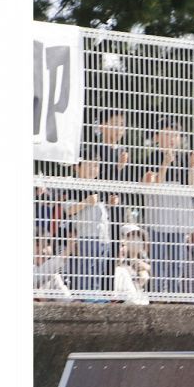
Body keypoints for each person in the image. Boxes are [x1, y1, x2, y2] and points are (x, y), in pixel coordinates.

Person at [141, 118, 194, 294]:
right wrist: (165, 164)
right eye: (167, 134)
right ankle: (158, 294)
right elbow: (153, 187)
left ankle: (174, 294)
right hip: (159, 216)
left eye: (176, 135)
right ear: (157, 137)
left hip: (178, 216)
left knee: (177, 260)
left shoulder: (183, 158)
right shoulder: (151, 158)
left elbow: (192, 189)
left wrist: (192, 168)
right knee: (158, 260)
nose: (172, 138)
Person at [64, 148, 113, 294]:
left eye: (96, 165)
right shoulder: (73, 185)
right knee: (85, 271)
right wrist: (86, 202)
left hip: (103, 238)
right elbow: (69, 209)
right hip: (86, 236)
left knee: (99, 270)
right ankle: (85, 298)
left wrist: (110, 203)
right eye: (89, 165)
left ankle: (95, 298)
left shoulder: (100, 186)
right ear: (77, 167)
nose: (93, 169)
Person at [96, 108, 131, 279]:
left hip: (118, 208)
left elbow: (128, 181)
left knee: (114, 251)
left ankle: (110, 294)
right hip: (99, 208)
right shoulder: (96, 150)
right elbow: (95, 176)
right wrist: (118, 167)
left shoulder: (123, 151)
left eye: (122, 125)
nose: (119, 129)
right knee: (99, 251)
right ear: (102, 126)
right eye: (115, 124)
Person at [113, 223, 151, 305]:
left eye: (138, 238)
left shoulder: (143, 258)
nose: (136, 241)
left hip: (140, 296)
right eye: (132, 237)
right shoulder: (120, 254)